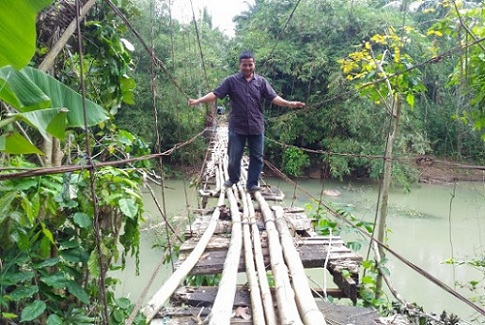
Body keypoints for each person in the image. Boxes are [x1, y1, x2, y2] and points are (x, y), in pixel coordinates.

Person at [188, 51, 305, 193]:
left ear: (254, 64)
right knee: (233, 156)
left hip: (256, 126)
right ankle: (233, 178)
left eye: (250, 65)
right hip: (237, 127)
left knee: (257, 157)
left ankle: (252, 184)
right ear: (240, 65)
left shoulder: (261, 82)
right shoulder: (231, 81)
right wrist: (198, 101)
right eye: (245, 65)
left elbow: (273, 97)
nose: (248, 68)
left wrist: (289, 104)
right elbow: (216, 94)